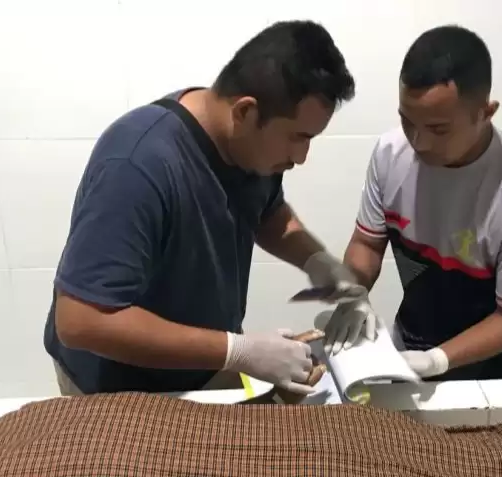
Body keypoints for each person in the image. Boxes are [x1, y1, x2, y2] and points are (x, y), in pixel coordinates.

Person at [43, 20, 361, 396]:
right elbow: (81, 321)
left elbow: (268, 213)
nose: (302, 156)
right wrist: (238, 350)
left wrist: (319, 262)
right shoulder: (138, 164)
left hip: (201, 364)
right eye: (298, 137)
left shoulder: (251, 147)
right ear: (245, 112)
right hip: (114, 387)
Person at [325, 24, 502, 381]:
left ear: (485, 112)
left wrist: (437, 361)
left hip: (498, 357)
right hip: (417, 332)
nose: (418, 141)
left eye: (438, 129)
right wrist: (353, 294)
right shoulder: (390, 154)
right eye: (407, 121)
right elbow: (367, 244)